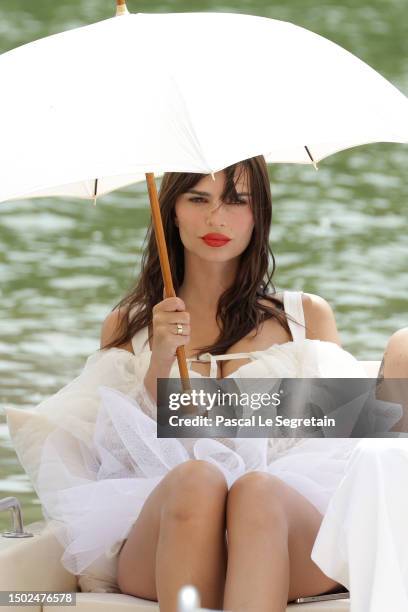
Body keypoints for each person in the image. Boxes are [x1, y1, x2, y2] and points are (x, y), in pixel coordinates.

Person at [36, 156, 408, 612]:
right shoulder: (128, 325)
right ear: (171, 210)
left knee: (256, 490)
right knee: (196, 478)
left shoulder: (304, 318)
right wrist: (159, 358)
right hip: (169, 533)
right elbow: (117, 455)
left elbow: (341, 442)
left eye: (237, 200)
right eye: (199, 199)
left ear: (259, 213)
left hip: (282, 530)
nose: (217, 218)